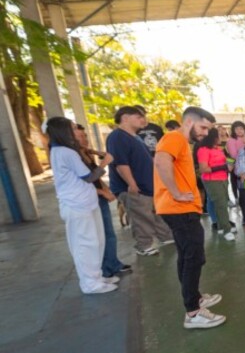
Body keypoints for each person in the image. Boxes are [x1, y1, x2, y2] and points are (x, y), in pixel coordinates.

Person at [154, 107, 225, 329]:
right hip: (178, 207)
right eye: (203, 127)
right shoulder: (174, 137)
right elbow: (161, 161)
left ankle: (195, 297)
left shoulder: (182, 142)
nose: (205, 133)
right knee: (193, 257)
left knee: (187, 256)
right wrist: (175, 192)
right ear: (188, 122)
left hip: (180, 208)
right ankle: (193, 312)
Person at [46, 117, 118, 294]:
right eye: (72, 128)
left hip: (85, 203)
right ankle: (90, 284)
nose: (76, 131)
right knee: (85, 245)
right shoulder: (65, 152)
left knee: (96, 241)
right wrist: (105, 162)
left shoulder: (63, 151)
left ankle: (97, 276)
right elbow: (89, 177)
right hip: (77, 205)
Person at [106, 105, 174, 256]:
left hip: (148, 185)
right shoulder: (118, 137)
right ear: (125, 118)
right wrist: (132, 184)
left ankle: (165, 236)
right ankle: (143, 245)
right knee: (141, 216)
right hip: (134, 187)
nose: (143, 120)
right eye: (139, 117)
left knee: (156, 213)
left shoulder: (134, 137)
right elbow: (121, 164)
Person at [75, 124, 131, 279]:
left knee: (109, 233)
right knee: (100, 235)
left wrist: (94, 152)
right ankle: (105, 269)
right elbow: (85, 180)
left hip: (99, 196)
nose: (84, 139)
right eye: (79, 136)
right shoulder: (74, 157)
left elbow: (96, 177)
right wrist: (102, 191)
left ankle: (112, 263)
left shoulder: (84, 154)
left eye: (84, 136)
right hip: (91, 198)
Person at [197, 129, 236, 241]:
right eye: (220, 135)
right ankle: (226, 229)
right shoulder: (203, 150)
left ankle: (221, 226)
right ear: (213, 137)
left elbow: (224, 161)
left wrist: (229, 163)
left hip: (223, 179)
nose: (222, 137)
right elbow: (203, 169)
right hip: (212, 181)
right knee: (221, 205)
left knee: (220, 203)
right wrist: (223, 167)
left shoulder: (218, 149)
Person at [226, 121, 245, 202]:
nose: (239, 130)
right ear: (233, 130)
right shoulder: (231, 140)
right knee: (236, 181)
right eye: (237, 129)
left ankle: (244, 197)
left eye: (241, 128)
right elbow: (234, 154)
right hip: (236, 166)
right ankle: (237, 197)